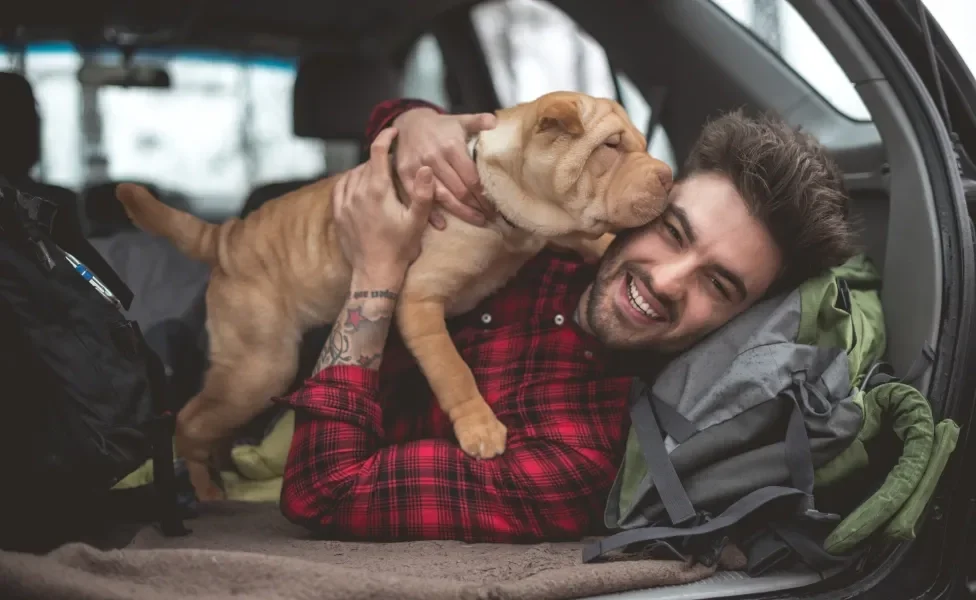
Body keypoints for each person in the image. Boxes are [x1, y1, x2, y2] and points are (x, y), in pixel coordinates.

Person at [273, 98, 858, 543]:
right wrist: (420, 120)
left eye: (719, 284)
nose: (665, 279)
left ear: (739, 320)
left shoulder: (580, 456)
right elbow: (509, 135)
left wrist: (374, 277)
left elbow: (323, 492)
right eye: (673, 232)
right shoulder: (557, 224)